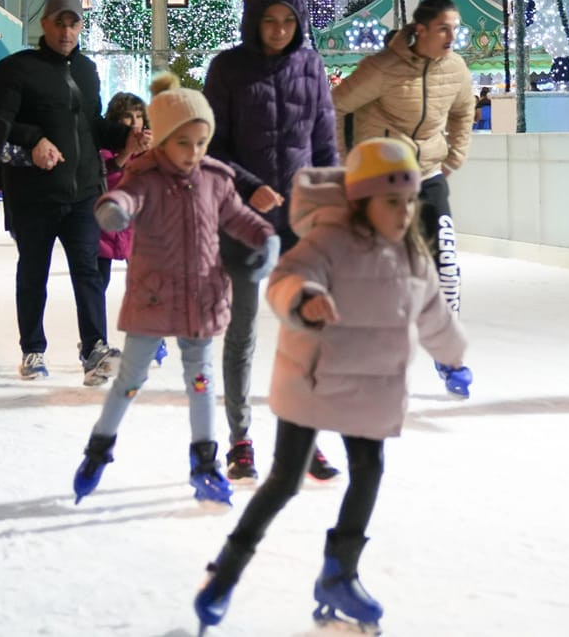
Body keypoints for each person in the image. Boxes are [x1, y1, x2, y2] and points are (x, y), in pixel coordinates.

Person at [191, 138, 466, 633]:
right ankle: (226, 570)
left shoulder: (411, 253)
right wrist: (305, 298)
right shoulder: (329, 241)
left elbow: (434, 311)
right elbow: (286, 279)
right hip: (312, 381)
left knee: (369, 469)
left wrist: (453, 354)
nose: (404, 212)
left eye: (409, 201)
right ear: (360, 200)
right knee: (284, 481)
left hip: (372, 387)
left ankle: (340, 573)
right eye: (391, 201)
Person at [70, 82, 273, 507]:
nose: (194, 152)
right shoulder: (146, 176)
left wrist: (265, 237)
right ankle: (99, 449)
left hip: (201, 297)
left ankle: (205, 463)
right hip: (154, 298)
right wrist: (113, 208)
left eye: (201, 142)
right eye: (183, 142)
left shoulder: (215, 179)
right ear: (163, 138)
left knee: (201, 381)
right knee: (130, 379)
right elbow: (124, 197)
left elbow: (238, 216)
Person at [202, 0, 340, 485]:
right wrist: (249, 185)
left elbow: (324, 145)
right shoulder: (227, 69)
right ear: (254, 21)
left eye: (288, 21)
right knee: (243, 331)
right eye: (269, 21)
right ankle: (240, 438)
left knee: (303, 329)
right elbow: (212, 147)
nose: (279, 30)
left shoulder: (311, 65)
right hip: (245, 219)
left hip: (301, 220)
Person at [0, 0, 134, 385]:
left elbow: (92, 126)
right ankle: (32, 348)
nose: (66, 31)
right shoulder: (18, 69)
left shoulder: (87, 70)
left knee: (88, 271)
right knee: (34, 272)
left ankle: (94, 348)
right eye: (59, 23)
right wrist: (34, 139)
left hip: (83, 192)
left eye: (73, 24)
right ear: (44, 24)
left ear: (81, 26)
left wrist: (126, 137)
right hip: (34, 195)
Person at [332, 0, 477, 397]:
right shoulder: (382, 68)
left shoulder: (456, 68)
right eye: (443, 29)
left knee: (446, 263)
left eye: (455, 28)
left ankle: (449, 356)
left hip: (429, 173)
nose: (451, 37)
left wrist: (455, 155)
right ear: (421, 30)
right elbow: (335, 106)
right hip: (384, 176)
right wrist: (347, 161)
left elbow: (464, 110)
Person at [97, 90, 149, 291]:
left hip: (136, 230)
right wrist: (128, 151)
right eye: (128, 116)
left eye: (139, 116)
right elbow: (107, 181)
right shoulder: (103, 149)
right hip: (104, 230)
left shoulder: (149, 149)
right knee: (98, 283)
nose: (135, 122)